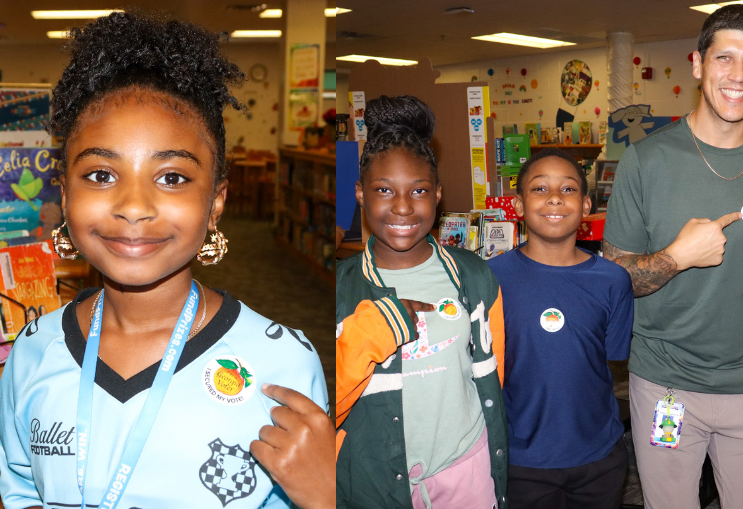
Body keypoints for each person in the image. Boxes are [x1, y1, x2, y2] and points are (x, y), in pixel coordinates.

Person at [0, 12, 333, 509]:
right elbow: (20, 488)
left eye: (172, 177)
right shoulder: (30, 353)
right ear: (64, 194)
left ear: (216, 202)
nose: (134, 205)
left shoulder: (282, 366)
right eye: (100, 174)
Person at [602, 5, 743, 508]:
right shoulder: (646, 161)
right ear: (697, 64)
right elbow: (611, 280)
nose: (737, 76)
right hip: (665, 385)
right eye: (724, 58)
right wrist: (677, 256)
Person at [335, 95, 508, 509]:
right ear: (360, 194)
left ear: (437, 194)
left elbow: (493, 373)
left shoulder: (473, 274)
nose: (402, 206)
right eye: (383, 190)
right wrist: (375, 330)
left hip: (464, 466)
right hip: (374, 476)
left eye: (418, 190)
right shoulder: (341, 286)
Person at [487, 149, 634, 509]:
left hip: (598, 456)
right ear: (518, 205)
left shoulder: (613, 280)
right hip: (521, 461)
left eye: (568, 189)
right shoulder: (489, 278)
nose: (554, 197)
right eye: (539, 189)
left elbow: (612, 360)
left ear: (586, 206)